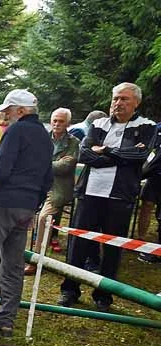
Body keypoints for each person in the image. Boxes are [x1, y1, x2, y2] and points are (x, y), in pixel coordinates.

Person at [59, 83, 156, 311]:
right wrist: (118, 156)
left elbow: (141, 155)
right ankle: (69, 289)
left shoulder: (146, 126)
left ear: (136, 103)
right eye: (115, 99)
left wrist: (105, 151)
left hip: (120, 197)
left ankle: (103, 295)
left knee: (113, 247)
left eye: (124, 99)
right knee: (78, 244)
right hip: (89, 193)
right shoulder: (98, 123)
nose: (118, 104)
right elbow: (84, 153)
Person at [0, 89, 53, 337]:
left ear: (21, 111)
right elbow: (48, 177)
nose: (4, 114)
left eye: (8, 110)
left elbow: (2, 170)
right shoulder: (45, 137)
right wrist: (34, 202)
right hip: (27, 206)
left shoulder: (16, 130)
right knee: (13, 264)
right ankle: (6, 320)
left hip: (2, 202)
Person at [24, 108, 79, 275]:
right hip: (37, 185)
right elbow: (31, 159)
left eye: (61, 121)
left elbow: (66, 167)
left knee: (43, 218)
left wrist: (42, 163)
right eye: (55, 120)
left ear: (68, 123)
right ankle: (20, 254)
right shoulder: (42, 136)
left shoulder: (73, 142)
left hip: (58, 188)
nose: (57, 124)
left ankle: (36, 260)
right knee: (22, 211)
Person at [136, 123, 161, 263]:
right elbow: (151, 152)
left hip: (153, 171)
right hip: (153, 176)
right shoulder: (157, 129)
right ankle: (140, 241)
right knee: (146, 205)